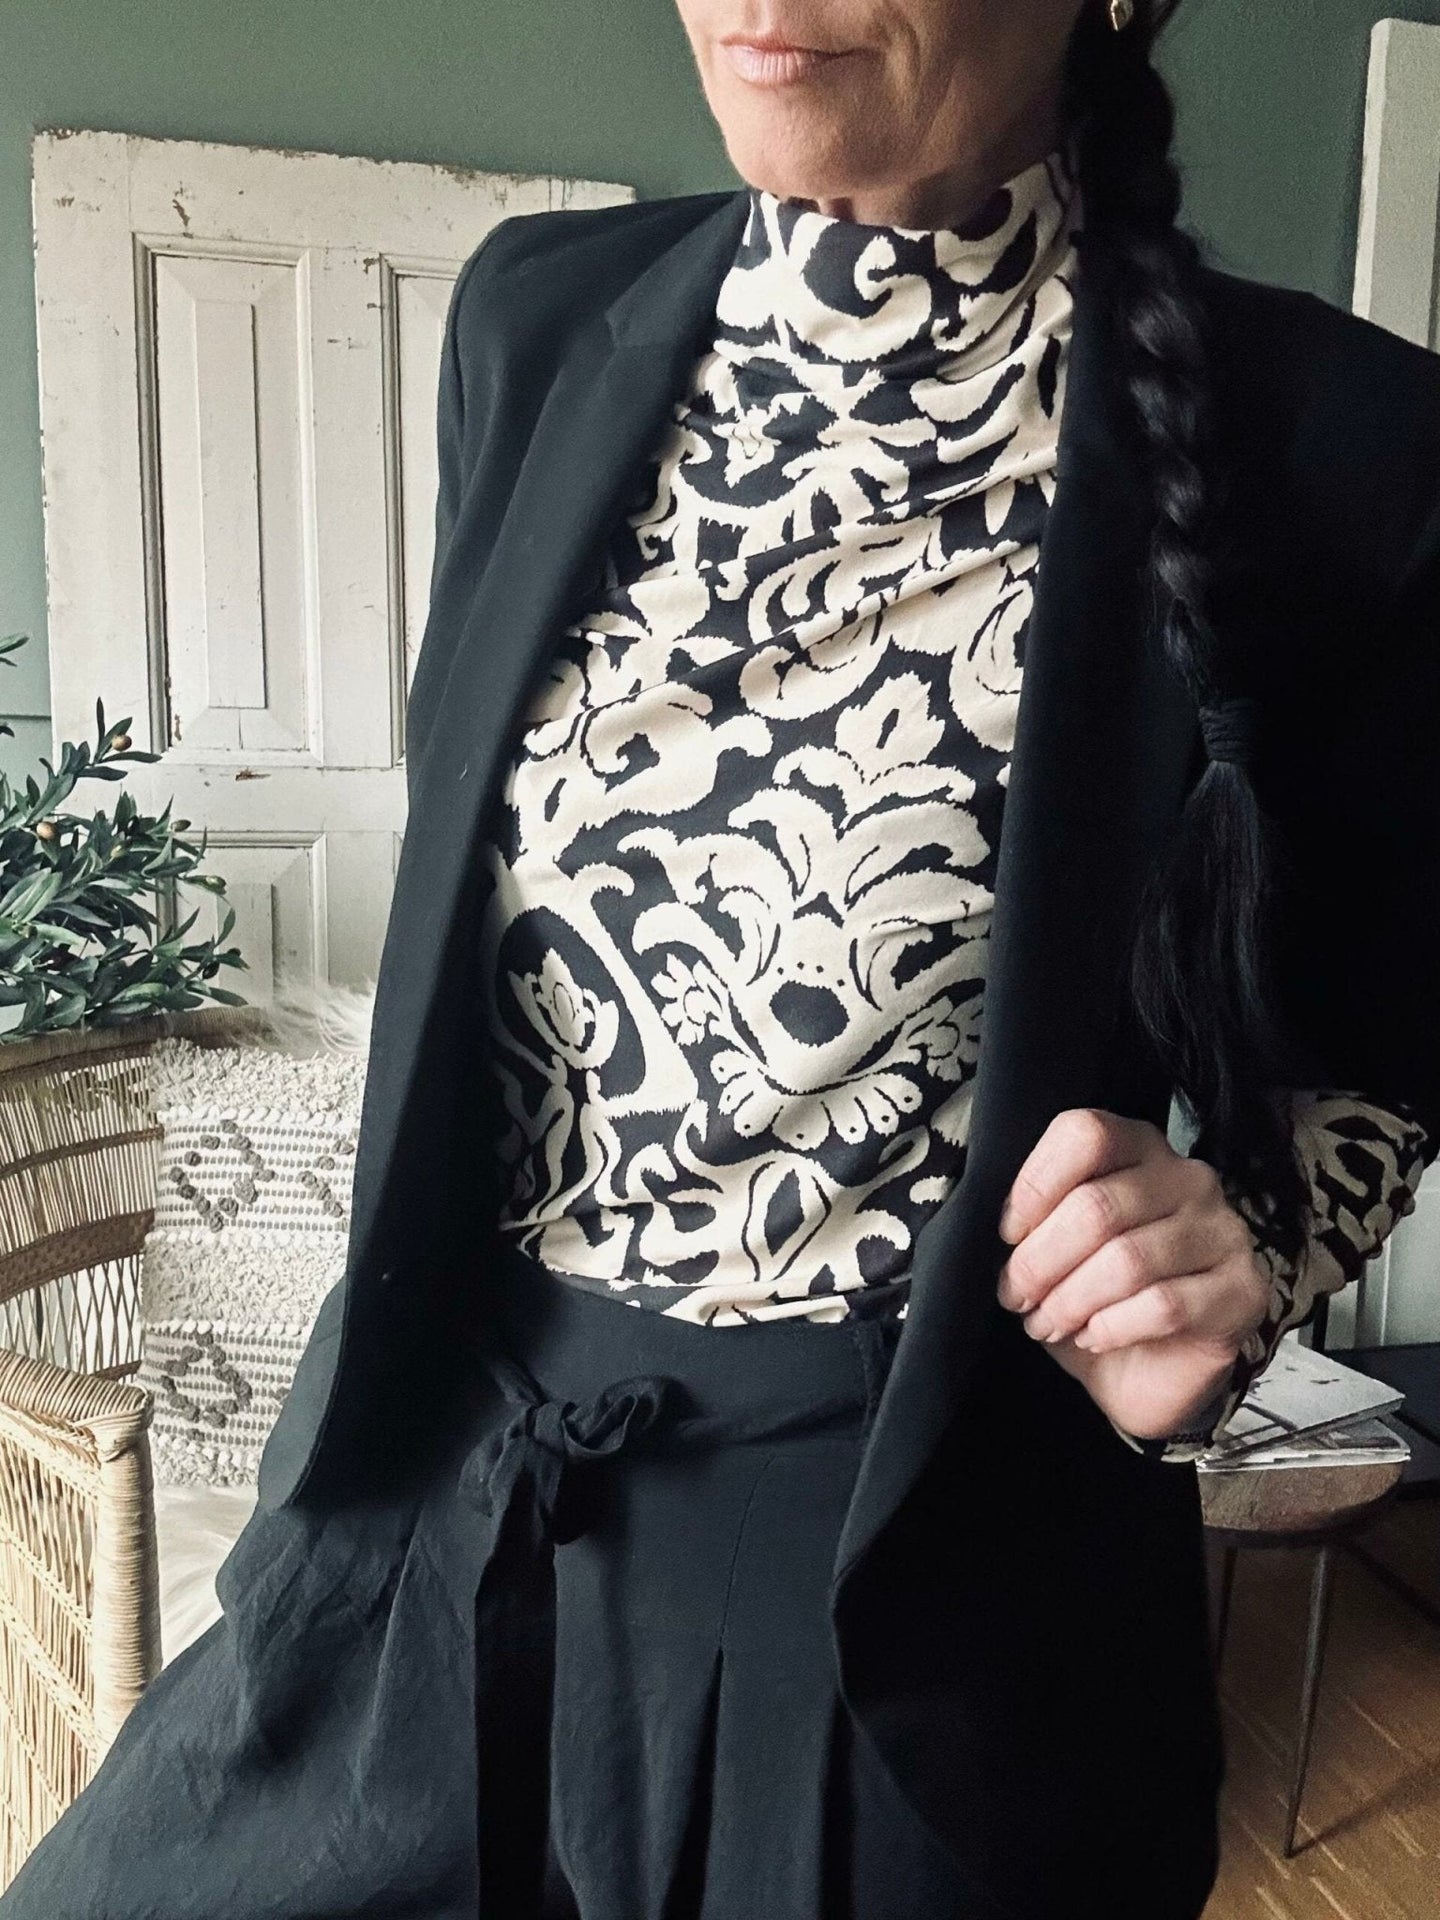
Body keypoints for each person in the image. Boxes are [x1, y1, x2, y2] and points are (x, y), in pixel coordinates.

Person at [3, 2, 1437, 1917]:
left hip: (888, 1595)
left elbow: (1393, 1017)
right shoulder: (535, 317)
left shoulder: (1344, 444)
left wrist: (1256, 1234)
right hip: (441, 1487)